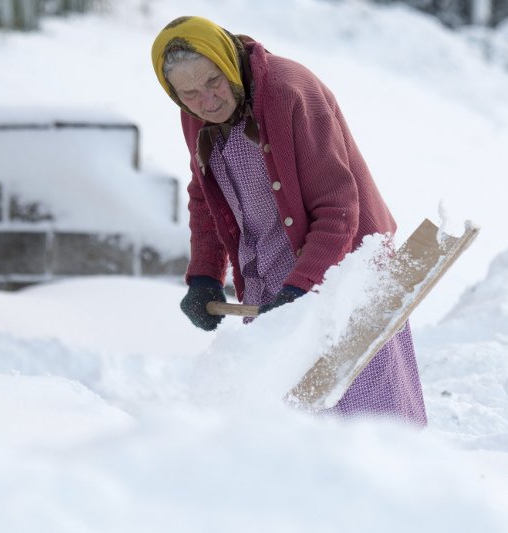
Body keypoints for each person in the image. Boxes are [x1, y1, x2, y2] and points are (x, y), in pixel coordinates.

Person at [151, 16, 427, 426]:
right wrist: (205, 275)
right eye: (188, 92)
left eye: (213, 81)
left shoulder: (288, 92)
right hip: (268, 282)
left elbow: (339, 209)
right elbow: (205, 196)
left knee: (364, 413)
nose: (205, 100)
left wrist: (301, 289)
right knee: (285, 414)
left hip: (341, 269)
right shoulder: (195, 115)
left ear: (227, 64)